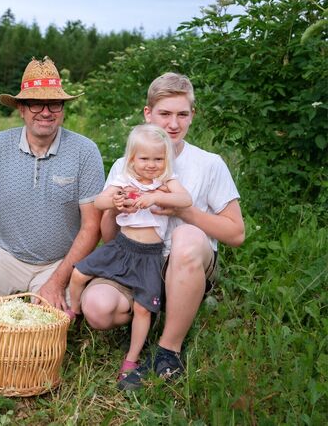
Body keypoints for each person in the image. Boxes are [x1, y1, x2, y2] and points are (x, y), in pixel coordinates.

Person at [80, 73, 245, 390]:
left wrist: (186, 211)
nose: (173, 123)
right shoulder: (126, 163)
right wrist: (115, 206)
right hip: (134, 262)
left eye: (182, 114)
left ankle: (168, 349)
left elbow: (236, 233)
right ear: (148, 114)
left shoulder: (208, 164)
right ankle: (145, 310)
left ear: (192, 115)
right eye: (164, 114)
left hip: (182, 265)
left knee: (185, 238)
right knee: (97, 309)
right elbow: (109, 236)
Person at [0, 56, 104, 311]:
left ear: (62, 109)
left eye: (54, 105)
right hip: (6, 255)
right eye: (35, 104)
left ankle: (50, 295)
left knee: (45, 326)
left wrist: (57, 281)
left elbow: (92, 225)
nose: (45, 112)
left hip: (60, 261)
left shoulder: (85, 151)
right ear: (21, 108)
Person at [68, 124, 192, 382]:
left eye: (158, 159)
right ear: (132, 159)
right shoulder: (125, 179)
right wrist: (114, 202)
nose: (151, 165)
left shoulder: (165, 182)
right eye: (144, 158)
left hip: (149, 255)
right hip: (121, 247)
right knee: (79, 272)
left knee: (143, 309)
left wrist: (156, 197)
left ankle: (131, 359)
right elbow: (99, 201)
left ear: (166, 160)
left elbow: (185, 200)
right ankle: (75, 311)